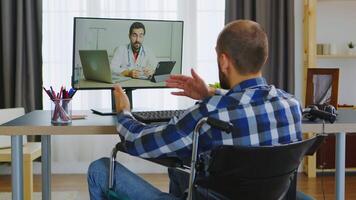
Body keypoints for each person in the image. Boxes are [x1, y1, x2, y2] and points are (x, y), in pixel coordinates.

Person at [88, 20, 302, 200]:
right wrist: (209, 93)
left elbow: (138, 142)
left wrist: (124, 112)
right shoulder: (291, 106)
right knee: (178, 173)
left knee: (100, 169)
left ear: (224, 61)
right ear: (263, 57)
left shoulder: (208, 115)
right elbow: (247, 104)